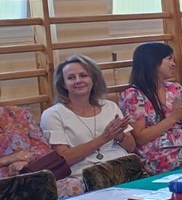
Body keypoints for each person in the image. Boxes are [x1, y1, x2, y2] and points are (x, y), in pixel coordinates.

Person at [119, 42, 182, 175]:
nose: (173, 64)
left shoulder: (174, 88)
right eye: (169, 59)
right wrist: (173, 117)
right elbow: (140, 138)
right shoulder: (133, 94)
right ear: (153, 62)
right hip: (154, 154)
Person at [40, 55, 135, 185]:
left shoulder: (110, 106)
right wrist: (104, 138)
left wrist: (120, 136)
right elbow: (63, 159)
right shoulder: (53, 114)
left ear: (93, 79)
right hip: (85, 177)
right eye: (71, 78)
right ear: (63, 84)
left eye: (83, 75)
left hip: (122, 169)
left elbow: (131, 147)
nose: (78, 81)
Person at [0, 105, 88, 197]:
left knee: (72, 185)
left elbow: (43, 147)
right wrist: (8, 159)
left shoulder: (18, 113)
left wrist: (27, 160)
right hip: (4, 184)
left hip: (31, 175)